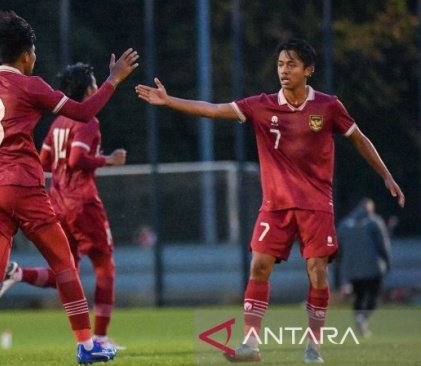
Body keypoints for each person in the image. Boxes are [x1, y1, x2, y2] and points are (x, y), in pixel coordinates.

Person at [135, 38, 405, 363]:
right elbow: (213, 110)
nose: (284, 70)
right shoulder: (261, 105)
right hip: (275, 206)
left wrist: (386, 175)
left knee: (317, 272)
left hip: (316, 205)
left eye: (291, 64)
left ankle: (314, 346)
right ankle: (250, 344)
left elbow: (360, 140)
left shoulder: (328, 106)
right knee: (258, 266)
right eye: (280, 64)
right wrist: (170, 101)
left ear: (309, 70)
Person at [0, 10, 138, 364]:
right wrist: (113, 80)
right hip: (23, 188)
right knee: (65, 264)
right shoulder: (32, 86)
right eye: (35, 53)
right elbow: (82, 111)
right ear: (27, 55)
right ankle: (87, 344)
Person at [0, 62, 127, 350]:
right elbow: (77, 159)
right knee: (105, 268)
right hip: (82, 202)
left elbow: (44, 161)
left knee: (66, 271)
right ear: (89, 88)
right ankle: (99, 337)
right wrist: (108, 159)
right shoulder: (88, 121)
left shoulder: (59, 122)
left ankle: (18, 273)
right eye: (95, 83)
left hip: (58, 204)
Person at [335, 198, 391, 338]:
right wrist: (387, 262)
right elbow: (383, 245)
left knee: (358, 297)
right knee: (374, 297)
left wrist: (341, 272)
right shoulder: (374, 222)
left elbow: (337, 250)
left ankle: (359, 320)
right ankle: (363, 318)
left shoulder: (344, 224)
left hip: (352, 270)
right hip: (373, 268)